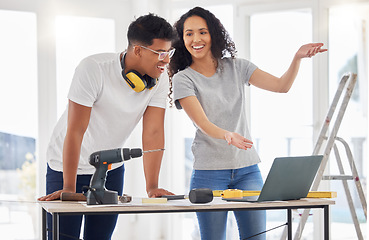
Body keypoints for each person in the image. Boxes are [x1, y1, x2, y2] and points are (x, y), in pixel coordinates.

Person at [168, 6, 327, 240]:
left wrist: (297, 58)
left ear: (213, 34)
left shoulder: (238, 67)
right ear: (182, 39)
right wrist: (227, 135)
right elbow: (201, 122)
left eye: (202, 32)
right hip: (208, 172)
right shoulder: (184, 78)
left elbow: (281, 86)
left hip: (247, 170)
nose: (196, 39)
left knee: (256, 237)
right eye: (188, 33)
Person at [38, 13, 175, 240]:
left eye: (169, 53)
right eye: (161, 54)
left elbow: (153, 133)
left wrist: (152, 186)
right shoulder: (93, 68)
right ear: (138, 50)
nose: (166, 60)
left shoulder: (158, 80)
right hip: (67, 166)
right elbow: (75, 130)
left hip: (109, 168)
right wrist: (68, 188)